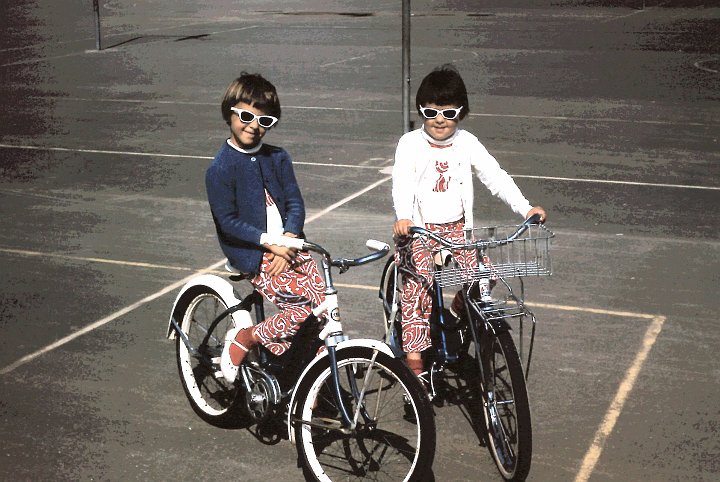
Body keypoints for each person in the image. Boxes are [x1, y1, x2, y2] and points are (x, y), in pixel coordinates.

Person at [391, 64, 546, 379]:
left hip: (457, 228)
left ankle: (455, 311)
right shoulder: (410, 143)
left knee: (484, 275)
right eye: (430, 112)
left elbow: (495, 177)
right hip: (419, 230)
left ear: (461, 113)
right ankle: (415, 364)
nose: (439, 120)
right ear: (421, 110)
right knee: (417, 289)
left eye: (449, 113)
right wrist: (404, 217)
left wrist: (526, 208)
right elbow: (402, 183)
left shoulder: (467, 142)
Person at [205, 72, 325, 382]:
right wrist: (272, 245)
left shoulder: (278, 157)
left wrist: (288, 238)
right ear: (229, 112)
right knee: (301, 312)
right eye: (246, 116)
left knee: (325, 306)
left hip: (289, 246)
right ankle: (246, 338)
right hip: (254, 255)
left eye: (264, 121)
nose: (253, 126)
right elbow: (229, 222)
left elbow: (295, 204)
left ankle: (313, 373)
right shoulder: (220, 168)